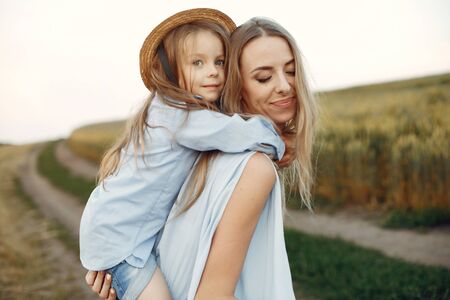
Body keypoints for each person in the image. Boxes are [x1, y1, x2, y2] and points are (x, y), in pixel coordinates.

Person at [87, 15, 317, 300]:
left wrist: (115, 272)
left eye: (292, 71)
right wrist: (115, 262)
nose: (284, 85)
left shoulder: (198, 154)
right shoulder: (252, 167)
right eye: (264, 77)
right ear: (235, 84)